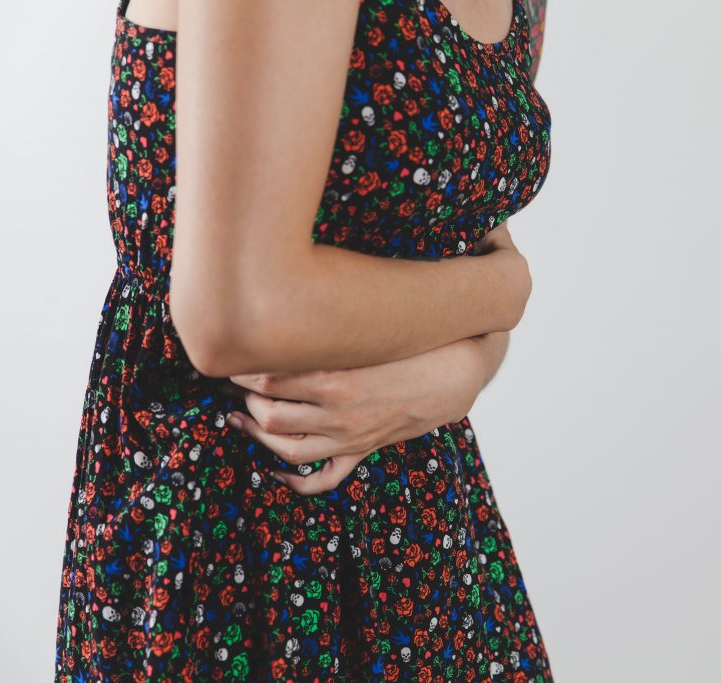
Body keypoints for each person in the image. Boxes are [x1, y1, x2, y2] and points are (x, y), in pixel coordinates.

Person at [54, 0, 554, 680]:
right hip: (225, 527)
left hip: (424, 512)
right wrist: (506, 292)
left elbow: (456, 240)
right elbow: (236, 313)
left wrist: (467, 368)